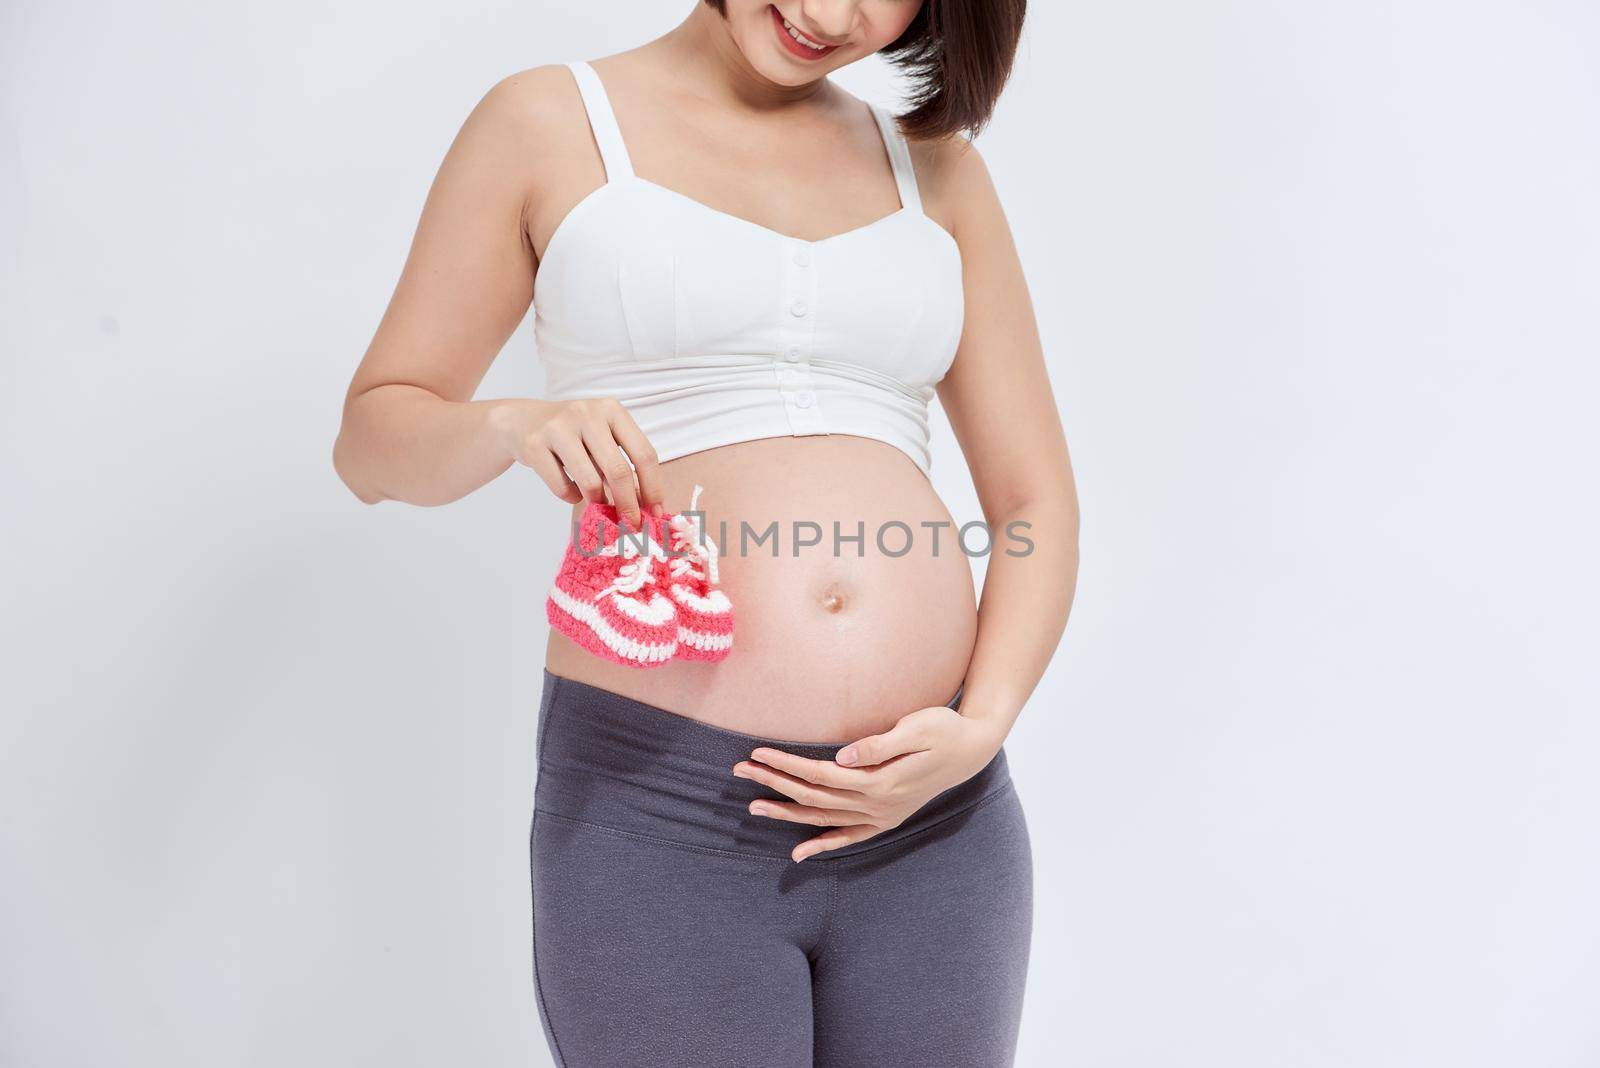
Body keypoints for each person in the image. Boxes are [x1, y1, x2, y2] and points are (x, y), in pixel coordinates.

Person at [333, 2, 1077, 1064]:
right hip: (666, 818)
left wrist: (981, 725)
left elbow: (1035, 505)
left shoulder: (937, 172)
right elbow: (372, 442)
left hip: (934, 824)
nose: (832, 12)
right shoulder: (549, 122)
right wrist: (510, 423)